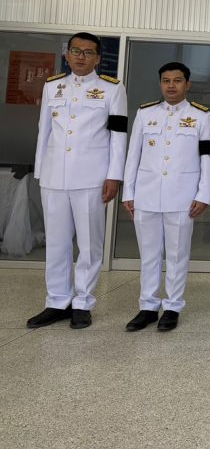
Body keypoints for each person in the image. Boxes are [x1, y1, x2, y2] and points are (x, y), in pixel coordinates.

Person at [26, 32, 127, 330]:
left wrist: (114, 175)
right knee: (56, 243)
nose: (81, 57)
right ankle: (57, 301)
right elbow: (44, 131)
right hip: (54, 176)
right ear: (67, 54)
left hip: (91, 177)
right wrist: (41, 172)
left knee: (89, 244)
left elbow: (118, 135)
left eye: (88, 52)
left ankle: (83, 302)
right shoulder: (52, 86)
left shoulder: (112, 89)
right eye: (76, 51)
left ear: (98, 58)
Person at [121, 62, 210, 332]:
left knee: (176, 254)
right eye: (166, 80)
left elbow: (208, 158)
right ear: (160, 83)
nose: (171, 85)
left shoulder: (202, 116)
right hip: (146, 194)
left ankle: (172, 307)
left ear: (188, 84)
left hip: (182, 196)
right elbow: (133, 154)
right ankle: (148, 307)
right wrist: (129, 191)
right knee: (149, 254)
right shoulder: (145, 113)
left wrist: (203, 194)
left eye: (177, 80)